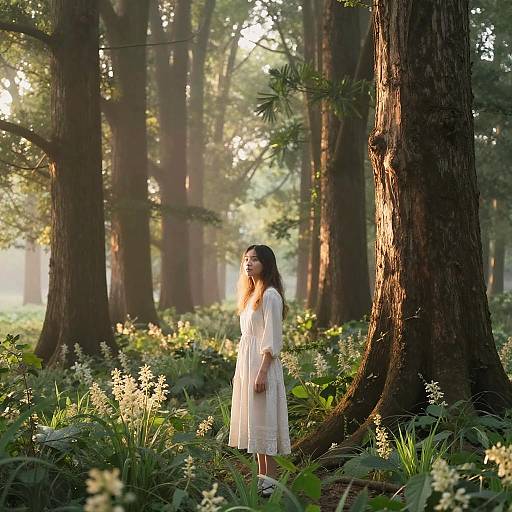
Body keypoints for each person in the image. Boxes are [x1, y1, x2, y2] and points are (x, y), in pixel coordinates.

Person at [228, 244, 291, 497]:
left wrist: (262, 372)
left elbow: (272, 338)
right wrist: (239, 373)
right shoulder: (250, 295)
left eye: (254, 259)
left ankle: (271, 481)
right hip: (247, 364)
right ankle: (261, 477)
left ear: (266, 263)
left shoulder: (271, 296)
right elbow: (247, 339)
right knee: (254, 420)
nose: (248, 263)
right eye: (246, 259)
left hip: (262, 366)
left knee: (265, 420)